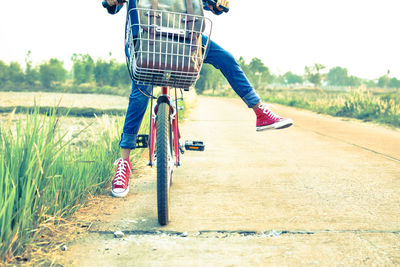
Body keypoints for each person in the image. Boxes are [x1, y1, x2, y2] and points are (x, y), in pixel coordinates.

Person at [105, 0, 293, 198]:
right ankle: (124, 162)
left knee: (226, 58)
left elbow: (210, 5)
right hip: (146, 39)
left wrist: (218, 4)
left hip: (183, 39)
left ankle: (260, 110)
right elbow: (113, 6)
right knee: (140, 92)